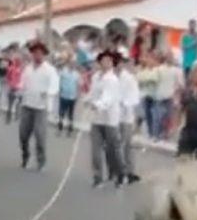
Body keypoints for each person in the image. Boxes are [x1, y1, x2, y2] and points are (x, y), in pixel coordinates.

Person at [86, 50, 125, 188]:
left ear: (112, 63)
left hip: (110, 119)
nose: (105, 63)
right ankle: (97, 177)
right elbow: (92, 93)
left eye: (109, 61)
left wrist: (97, 104)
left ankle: (119, 173)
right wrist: (88, 100)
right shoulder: (96, 77)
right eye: (103, 60)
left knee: (112, 150)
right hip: (96, 119)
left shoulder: (112, 79)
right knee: (95, 149)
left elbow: (108, 99)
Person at [18, 41, 59, 171]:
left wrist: (47, 93)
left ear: (44, 55)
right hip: (27, 104)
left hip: (41, 107)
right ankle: (26, 155)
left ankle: (41, 161)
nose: (37, 56)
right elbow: (22, 83)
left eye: (40, 53)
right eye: (35, 53)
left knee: (40, 135)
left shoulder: (50, 70)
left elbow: (54, 86)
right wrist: (19, 89)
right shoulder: (28, 69)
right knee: (23, 134)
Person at [117, 55, 142, 184]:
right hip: (114, 117)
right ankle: (121, 171)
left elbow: (135, 98)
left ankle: (128, 172)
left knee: (126, 145)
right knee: (119, 145)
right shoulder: (112, 78)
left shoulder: (130, 79)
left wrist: (125, 103)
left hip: (126, 117)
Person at [57, 60, 80, 136]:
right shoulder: (63, 72)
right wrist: (59, 90)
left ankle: (69, 130)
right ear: (68, 64)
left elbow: (77, 85)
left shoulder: (76, 74)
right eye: (71, 64)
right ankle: (60, 129)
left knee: (70, 114)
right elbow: (59, 81)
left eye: (73, 64)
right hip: (63, 95)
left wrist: (77, 95)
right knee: (61, 113)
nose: (72, 65)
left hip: (72, 96)